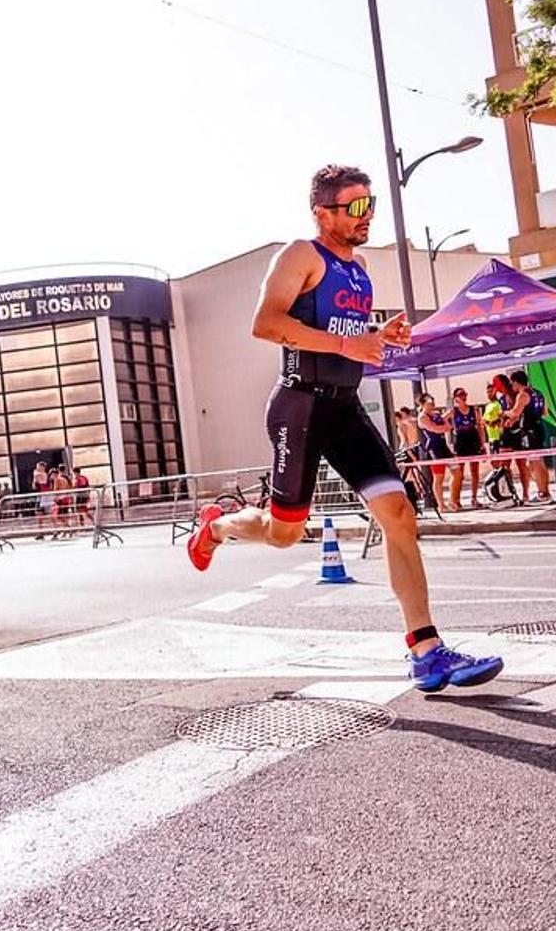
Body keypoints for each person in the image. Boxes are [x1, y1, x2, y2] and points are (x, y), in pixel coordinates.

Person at [185, 163, 502, 692]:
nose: (367, 215)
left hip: (345, 409)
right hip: (300, 409)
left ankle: (426, 651)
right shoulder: (300, 255)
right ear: (322, 212)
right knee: (285, 534)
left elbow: (347, 336)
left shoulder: (358, 270)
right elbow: (265, 324)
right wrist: (347, 344)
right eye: (355, 206)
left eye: (370, 204)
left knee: (399, 512)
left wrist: (380, 334)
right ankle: (216, 526)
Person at [506, 369, 551, 504]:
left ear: (515, 382)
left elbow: (515, 413)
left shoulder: (523, 394)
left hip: (530, 431)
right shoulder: (538, 392)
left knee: (535, 462)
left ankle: (543, 493)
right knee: (538, 462)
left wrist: (504, 413)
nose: (511, 386)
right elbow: (545, 412)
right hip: (538, 428)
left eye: (511, 383)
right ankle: (544, 491)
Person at [416, 393, 455, 512]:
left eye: (433, 402)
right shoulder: (422, 417)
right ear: (422, 404)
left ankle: (452, 501)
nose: (432, 405)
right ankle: (441, 505)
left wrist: (445, 421)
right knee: (439, 477)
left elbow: (447, 425)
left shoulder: (436, 414)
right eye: (429, 403)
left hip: (443, 445)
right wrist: (444, 425)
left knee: (457, 472)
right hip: (434, 447)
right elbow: (436, 429)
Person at [448, 387, 484, 510]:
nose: (463, 396)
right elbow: (440, 420)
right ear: (455, 398)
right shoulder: (453, 411)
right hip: (461, 440)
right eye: (460, 394)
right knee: (460, 473)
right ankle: (456, 500)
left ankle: (474, 498)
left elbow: (479, 427)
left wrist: (482, 443)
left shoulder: (474, 410)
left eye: (464, 394)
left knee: (475, 471)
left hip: (472, 439)